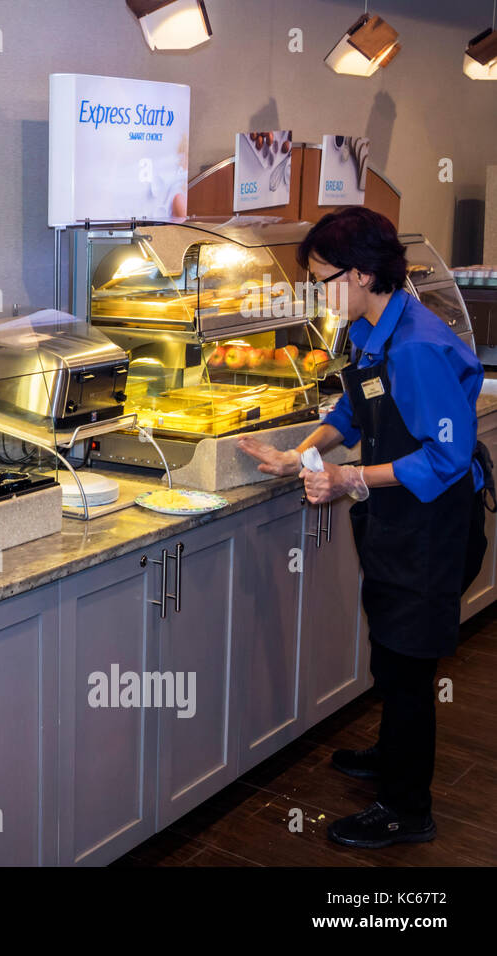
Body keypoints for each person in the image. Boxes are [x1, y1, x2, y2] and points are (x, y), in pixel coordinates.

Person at [238, 206, 490, 850]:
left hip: (432, 531)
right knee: (390, 649)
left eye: (321, 278)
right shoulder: (375, 328)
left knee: (409, 667)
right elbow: (353, 410)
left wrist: (350, 480)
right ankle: (392, 753)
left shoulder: (419, 348)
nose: (317, 291)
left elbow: (444, 457)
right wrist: (303, 454)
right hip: (398, 524)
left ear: (360, 274)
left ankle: (407, 809)